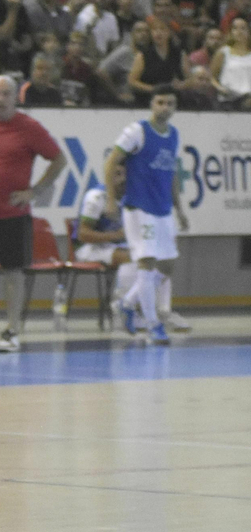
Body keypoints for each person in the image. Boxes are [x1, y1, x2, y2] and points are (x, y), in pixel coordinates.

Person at [0, 74, 67, 352]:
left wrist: (35, 191)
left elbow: (58, 159)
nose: (0, 100)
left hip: (13, 215)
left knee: (12, 274)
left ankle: (12, 330)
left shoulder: (29, 128)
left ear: (16, 97)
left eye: (6, 94)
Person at [104, 85, 189, 343]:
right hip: (139, 208)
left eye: (170, 103)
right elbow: (111, 163)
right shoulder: (137, 131)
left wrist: (179, 208)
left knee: (167, 265)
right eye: (160, 102)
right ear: (152, 104)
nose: (165, 107)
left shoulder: (174, 135)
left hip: (163, 209)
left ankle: (127, 303)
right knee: (147, 261)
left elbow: (172, 174)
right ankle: (153, 324)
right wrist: (110, 198)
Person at [73, 154, 139, 327]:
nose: (120, 179)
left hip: (113, 245)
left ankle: (145, 309)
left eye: (124, 174)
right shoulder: (96, 196)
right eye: (115, 173)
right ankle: (123, 305)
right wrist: (115, 236)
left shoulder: (131, 197)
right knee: (131, 258)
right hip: (87, 248)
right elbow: (83, 234)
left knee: (151, 258)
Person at [211, 16, 251, 105]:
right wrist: (221, 89)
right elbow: (212, 77)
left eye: (243, 28)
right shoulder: (223, 52)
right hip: (228, 100)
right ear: (231, 32)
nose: (239, 32)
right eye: (235, 28)